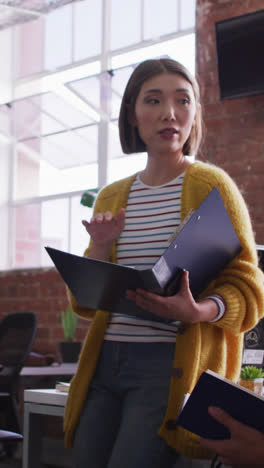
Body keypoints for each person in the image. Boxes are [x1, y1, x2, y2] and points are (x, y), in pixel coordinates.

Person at [63, 58, 264, 468]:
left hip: (166, 367)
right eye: (153, 100)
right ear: (133, 116)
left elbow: (249, 285)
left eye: (182, 100)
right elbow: (86, 302)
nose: (169, 113)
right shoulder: (111, 197)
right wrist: (100, 247)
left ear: (194, 115)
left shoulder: (212, 186)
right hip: (104, 363)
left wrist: (199, 310)